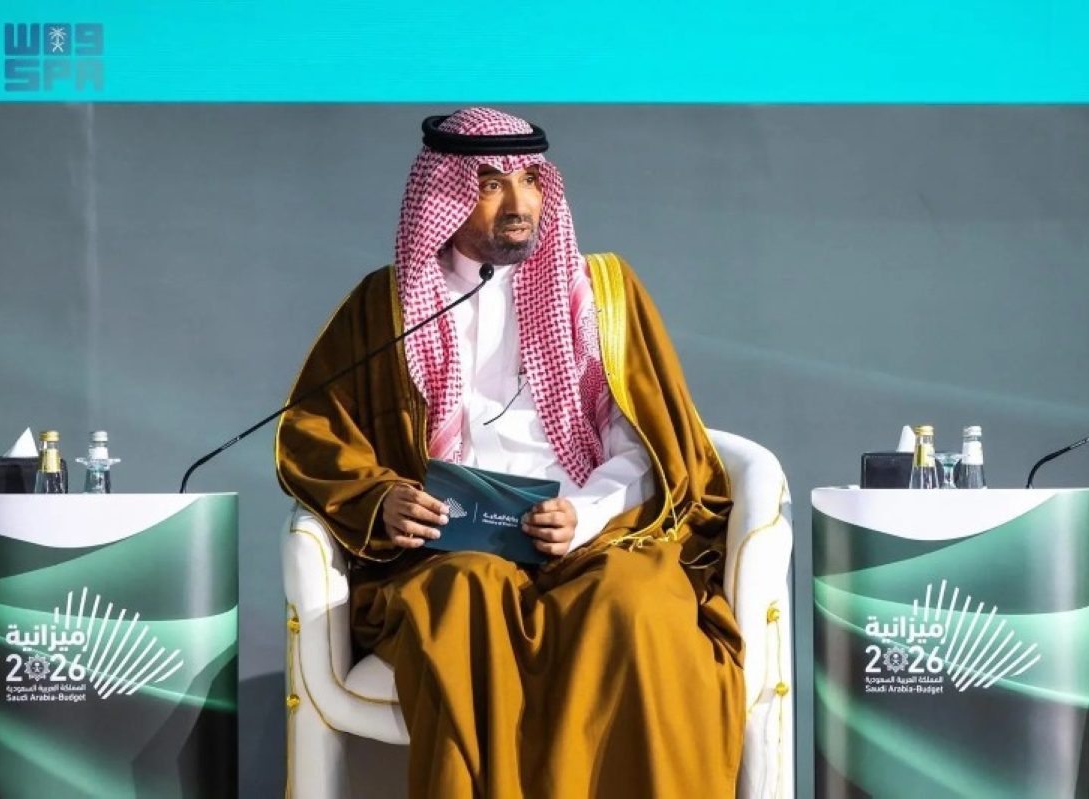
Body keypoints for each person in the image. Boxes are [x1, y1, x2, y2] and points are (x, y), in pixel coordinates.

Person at [276, 107, 743, 798]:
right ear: (443, 194)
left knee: (638, 605)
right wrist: (381, 497)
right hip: (450, 549)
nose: (520, 204)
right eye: (491, 184)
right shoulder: (388, 305)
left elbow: (648, 440)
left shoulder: (602, 294)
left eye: (530, 180)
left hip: (589, 534)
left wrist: (585, 514)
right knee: (464, 597)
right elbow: (314, 428)